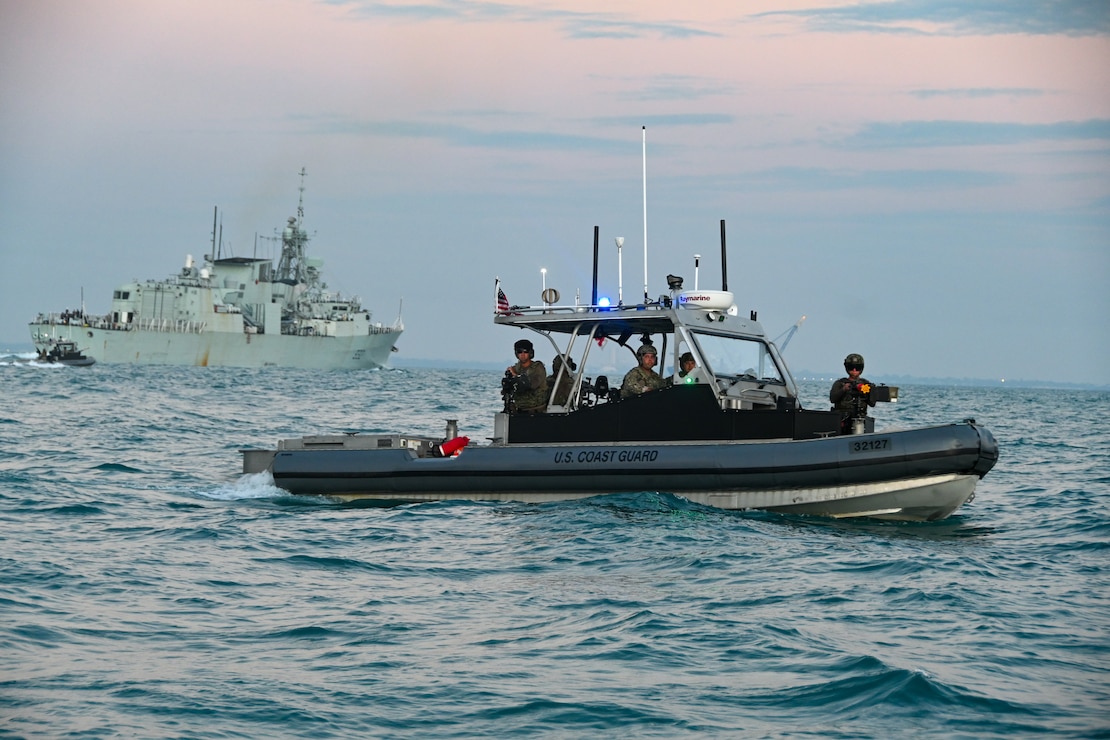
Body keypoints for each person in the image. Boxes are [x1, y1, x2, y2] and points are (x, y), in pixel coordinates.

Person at [829, 353, 876, 432]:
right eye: (851, 368)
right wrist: (843, 389)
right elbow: (832, 398)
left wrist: (865, 393)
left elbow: (872, 403)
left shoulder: (866, 384)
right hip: (842, 420)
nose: (854, 370)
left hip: (860, 421)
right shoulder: (840, 383)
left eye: (857, 368)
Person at [504, 338, 548, 413]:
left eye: (525, 351)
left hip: (537, 410)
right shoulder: (515, 369)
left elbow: (531, 385)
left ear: (530, 353)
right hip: (520, 409)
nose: (523, 355)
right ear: (516, 354)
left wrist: (515, 376)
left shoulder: (538, 368)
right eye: (520, 352)